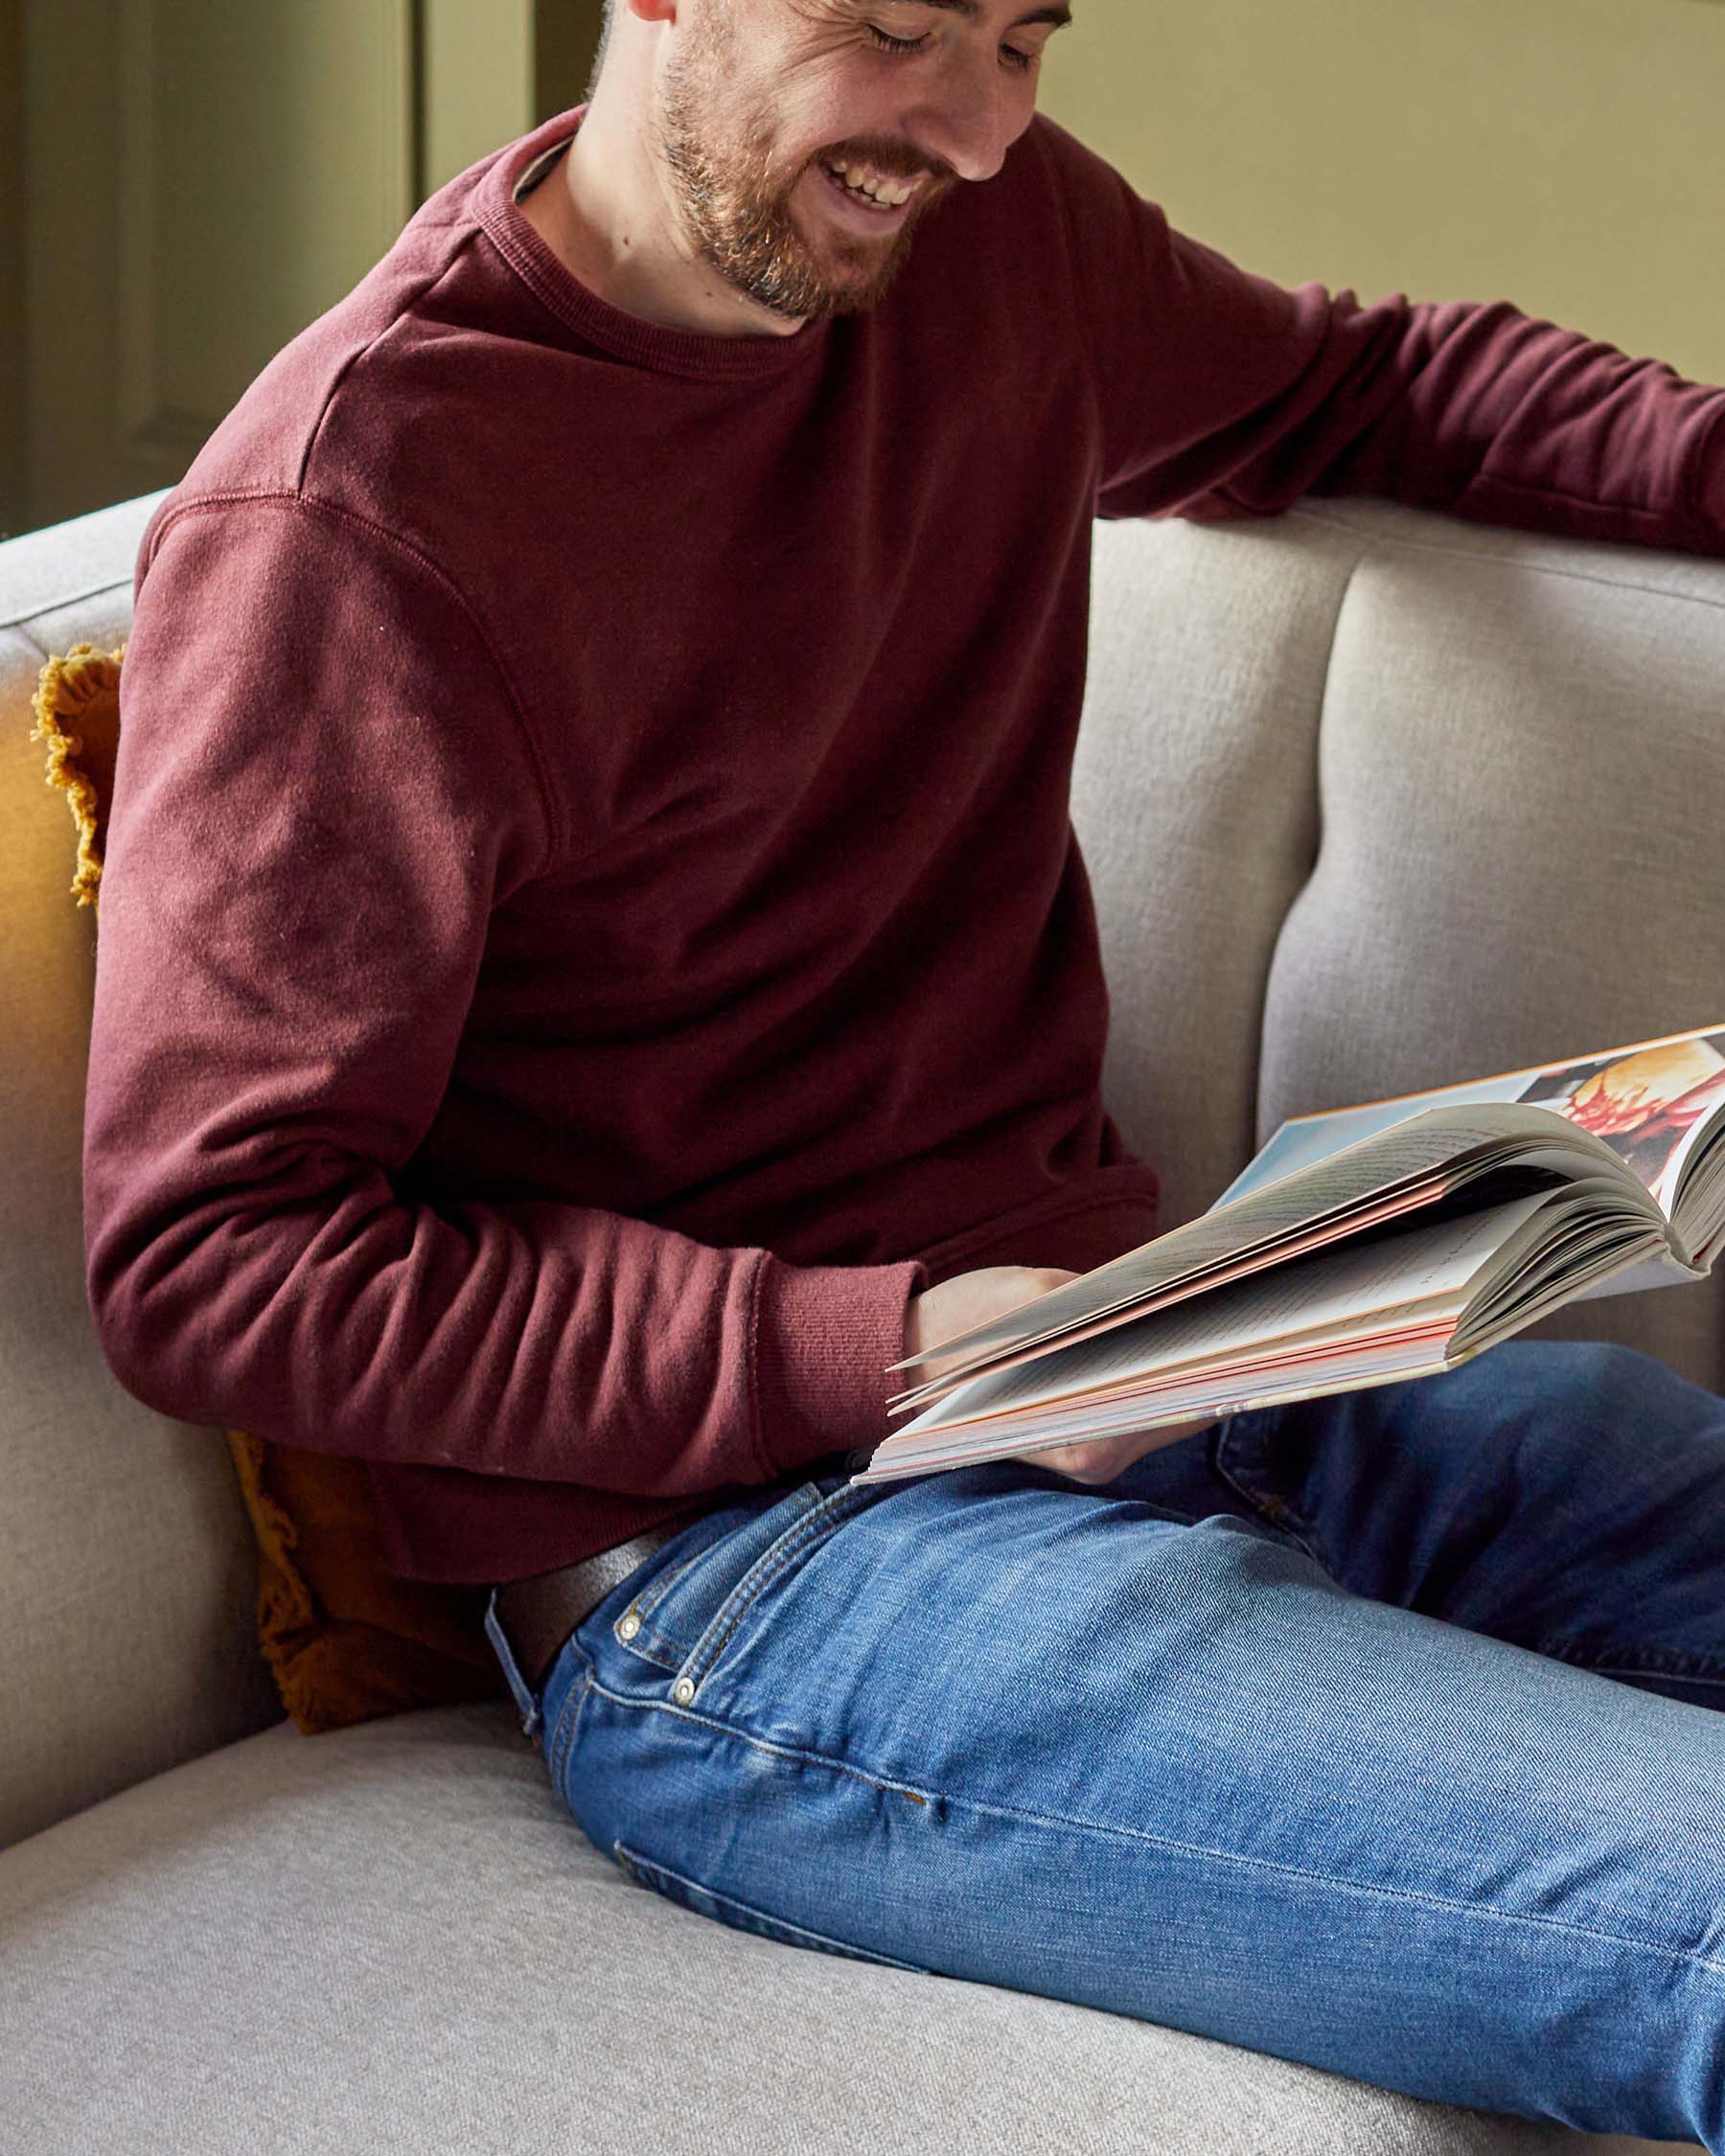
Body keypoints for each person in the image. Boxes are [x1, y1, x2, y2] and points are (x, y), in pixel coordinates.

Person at [82, 0, 1725, 2143]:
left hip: (1179, 1369)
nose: (966, 124)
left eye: (1024, 38)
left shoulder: (995, 242)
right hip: (754, 1584)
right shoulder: (352, 522)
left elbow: (1355, 380)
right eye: (893, 28)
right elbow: (215, 1262)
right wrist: (890, 1350)